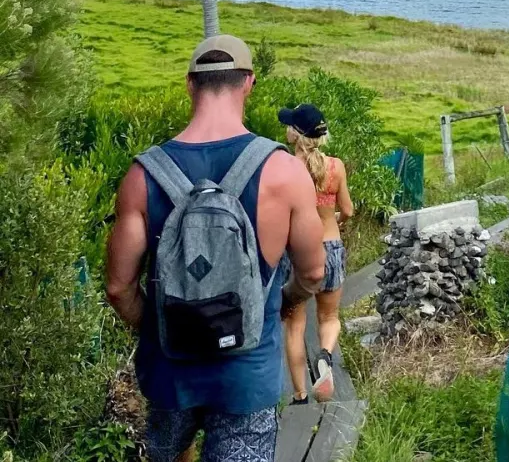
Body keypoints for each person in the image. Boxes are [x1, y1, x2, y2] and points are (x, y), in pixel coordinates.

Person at [106, 36, 326, 462]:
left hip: (170, 374)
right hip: (248, 376)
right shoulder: (284, 171)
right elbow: (314, 272)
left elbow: (118, 288)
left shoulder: (142, 175)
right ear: (249, 83)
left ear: (190, 84)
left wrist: (161, 327)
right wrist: (283, 303)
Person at [279, 103, 354, 405]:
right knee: (330, 316)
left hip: (298, 253)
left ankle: (300, 396)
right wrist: (335, 220)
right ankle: (325, 356)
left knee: (295, 326)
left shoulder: (286, 167)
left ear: (296, 135)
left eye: (289, 126)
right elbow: (347, 210)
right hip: (331, 247)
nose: (285, 130)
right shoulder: (336, 167)